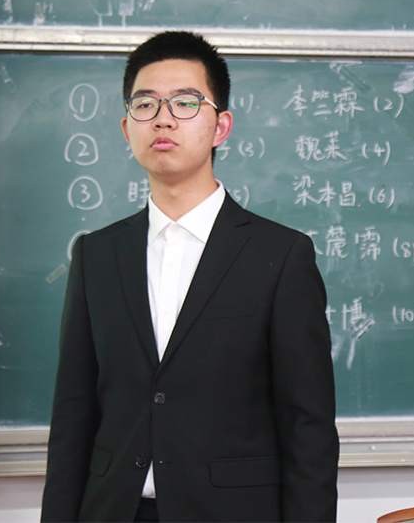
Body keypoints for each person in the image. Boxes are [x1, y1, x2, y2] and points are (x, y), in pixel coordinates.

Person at [40, 31, 338, 522]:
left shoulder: (281, 256)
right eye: (145, 104)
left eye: (185, 103)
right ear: (127, 128)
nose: (163, 118)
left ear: (221, 127)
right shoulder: (96, 255)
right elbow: (73, 416)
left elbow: (308, 426)